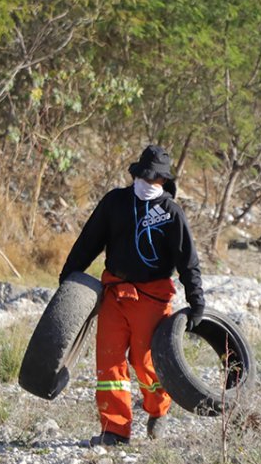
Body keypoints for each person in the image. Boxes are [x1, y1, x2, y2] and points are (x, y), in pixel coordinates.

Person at [58, 145, 205, 446]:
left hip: (153, 298)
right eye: (143, 177)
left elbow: (188, 261)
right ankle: (114, 430)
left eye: (154, 180)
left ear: (164, 182)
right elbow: (89, 242)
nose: (147, 184)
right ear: (135, 175)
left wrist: (197, 301)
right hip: (114, 293)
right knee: (109, 362)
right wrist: (68, 277)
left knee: (146, 363)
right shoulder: (115, 202)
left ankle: (158, 411)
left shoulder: (171, 213)